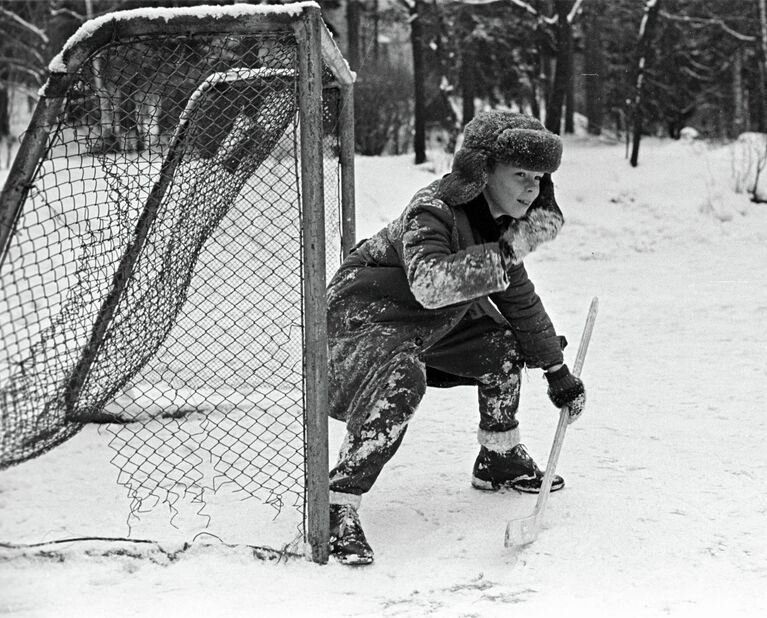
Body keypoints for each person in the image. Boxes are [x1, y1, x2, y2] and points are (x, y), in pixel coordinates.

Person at [325, 111, 586, 565]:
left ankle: (499, 458)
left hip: (425, 326)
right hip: (362, 323)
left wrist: (557, 371)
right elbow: (429, 284)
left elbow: (520, 301)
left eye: (539, 177)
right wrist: (505, 253)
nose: (531, 187)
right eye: (519, 174)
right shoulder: (433, 210)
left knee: (503, 345)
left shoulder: (497, 226)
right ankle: (336, 503)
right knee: (401, 378)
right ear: (483, 171)